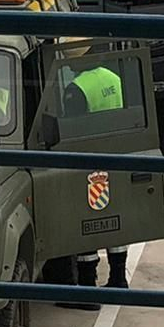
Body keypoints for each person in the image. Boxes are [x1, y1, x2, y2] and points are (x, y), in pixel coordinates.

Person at [55, 62, 129, 311]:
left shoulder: (77, 88)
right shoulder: (113, 78)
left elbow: (72, 129)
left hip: (88, 159)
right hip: (117, 152)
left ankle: (87, 287)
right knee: (113, 216)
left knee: (86, 221)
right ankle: (118, 280)